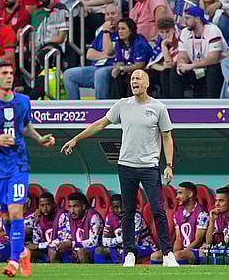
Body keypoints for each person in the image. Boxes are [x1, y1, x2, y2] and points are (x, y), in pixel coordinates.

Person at [61, 69, 179, 268]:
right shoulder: (122, 105)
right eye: (132, 78)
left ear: (147, 83)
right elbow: (100, 124)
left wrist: (168, 165)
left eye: (138, 78)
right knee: (128, 211)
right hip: (126, 166)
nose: (134, 81)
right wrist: (76, 139)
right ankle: (130, 253)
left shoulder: (159, 108)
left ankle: (168, 254)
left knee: (158, 210)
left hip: (150, 166)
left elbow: (167, 137)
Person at [0, 60, 55, 276]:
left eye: (11, 72)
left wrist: (39, 138)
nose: (9, 76)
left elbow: (24, 126)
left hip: (18, 165)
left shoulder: (23, 101)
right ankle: (22, 251)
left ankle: (14, 261)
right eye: (4, 73)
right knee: (6, 216)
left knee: (17, 210)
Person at [63, 2, 121, 100]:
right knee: (69, 74)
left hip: (113, 67)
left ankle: (100, 108)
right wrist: (105, 55)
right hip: (96, 67)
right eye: (107, 14)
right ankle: (74, 109)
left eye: (113, 13)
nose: (110, 17)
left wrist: (106, 31)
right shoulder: (100, 32)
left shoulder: (122, 31)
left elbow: (109, 50)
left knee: (100, 74)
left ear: (120, 16)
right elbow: (89, 54)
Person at [171, 6, 226, 98]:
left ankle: (213, 104)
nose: (185, 21)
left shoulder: (213, 30)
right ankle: (176, 105)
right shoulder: (185, 32)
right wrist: (181, 64)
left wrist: (190, 66)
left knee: (213, 69)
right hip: (196, 70)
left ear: (197, 19)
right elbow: (182, 56)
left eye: (188, 18)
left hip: (214, 69)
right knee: (174, 71)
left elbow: (213, 59)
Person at [151, 182, 208, 265]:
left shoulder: (202, 213)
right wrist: (172, 255)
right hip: (183, 252)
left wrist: (180, 253)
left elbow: (198, 241)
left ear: (190, 194)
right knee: (155, 256)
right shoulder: (177, 214)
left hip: (198, 251)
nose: (177, 197)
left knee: (178, 255)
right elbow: (179, 239)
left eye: (180, 193)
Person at [94, 194, 158, 264]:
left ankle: (123, 271)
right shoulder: (109, 218)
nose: (120, 210)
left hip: (144, 246)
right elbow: (105, 241)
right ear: (111, 208)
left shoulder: (135, 217)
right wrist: (121, 239)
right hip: (120, 246)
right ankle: (105, 273)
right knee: (99, 251)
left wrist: (115, 240)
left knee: (127, 250)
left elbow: (133, 242)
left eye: (122, 206)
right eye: (116, 207)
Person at [51, 192, 103, 263]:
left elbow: (93, 242)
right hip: (74, 249)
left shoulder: (93, 217)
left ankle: (88, 273)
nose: (72, 211)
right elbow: (63, 238)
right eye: (70, 206)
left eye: (75, 206)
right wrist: (59, 245)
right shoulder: (66, 217)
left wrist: (71, 244)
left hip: (93, 250)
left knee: (81, 252)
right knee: (53, 251)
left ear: (83, 207)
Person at [109, 18, 152, 99]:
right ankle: (116, 103)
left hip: (147, 70)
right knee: (116, 76)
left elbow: (140, 64)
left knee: (132, 77)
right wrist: (118, 68)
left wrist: (121, 68)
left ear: (131, 30)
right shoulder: (119, 42)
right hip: (129, 69)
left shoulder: (139, 42)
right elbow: (120, 61)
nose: (120, 31)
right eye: (119, 29)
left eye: (123, 28)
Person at [26, 192, 71, 263]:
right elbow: (36, 241)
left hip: (63, 251)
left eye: (48, 205)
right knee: (28, 253)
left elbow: (62, 240)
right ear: (39, 207)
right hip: (45, 250)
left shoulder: (62, 215)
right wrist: (35, 222)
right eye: (42, 205)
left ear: (54, 205)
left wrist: (38, 246)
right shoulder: (39, 216)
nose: (45, 208)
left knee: (53, 251)